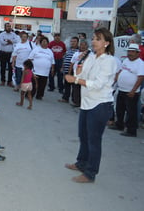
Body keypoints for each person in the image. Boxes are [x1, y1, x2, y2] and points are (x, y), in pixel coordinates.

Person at [64, 27, 117, 183]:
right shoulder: (91, 57)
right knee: (83, 136)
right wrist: (78, 68)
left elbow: (98, 84)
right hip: (87, 103)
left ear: (106, 43)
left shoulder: (110, 61)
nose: (94, 41)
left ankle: (90, 173)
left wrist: (76, 80)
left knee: (94, 140)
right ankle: (81, 163)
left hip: (100, 104)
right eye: (93, 38)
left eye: (98, 39)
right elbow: (81, 75)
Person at [108, 43, 144, 137]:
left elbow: (140, 78)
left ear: (137, 53)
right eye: (129, 51)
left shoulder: (140, 63)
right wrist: (115, 81)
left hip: (131, 92)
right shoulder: (126, 60)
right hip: (121, 89)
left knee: (131, 112)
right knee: (120, 108)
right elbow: (120, 71)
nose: (130, 53)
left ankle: (131, 130)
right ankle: (119, 124)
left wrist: (133, 90)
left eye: (132, 52)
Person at [59, 37, 79, 104]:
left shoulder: (78, 51)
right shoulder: (68, 50)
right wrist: (62, 67)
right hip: (66, 70)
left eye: (74, 41)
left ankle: (74, 100)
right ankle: (65, 98)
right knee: (66, 85)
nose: (72, 43)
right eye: (71, 41)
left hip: (74, 71)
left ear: (77, 42)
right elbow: (64, 59)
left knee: (74, 86)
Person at [0, 22, 19, 87]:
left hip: (11, 53)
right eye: (7, 26)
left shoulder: (13, 34)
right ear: (5, 27)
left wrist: (9, 41)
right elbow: (2, 42)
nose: (9, 27)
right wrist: (10, 42)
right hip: (3, 53)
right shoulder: (2, 34)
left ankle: (9, 81)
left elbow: (16, 41)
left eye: (9, 26)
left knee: (11, 68)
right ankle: (3, 80)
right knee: (3, 67)